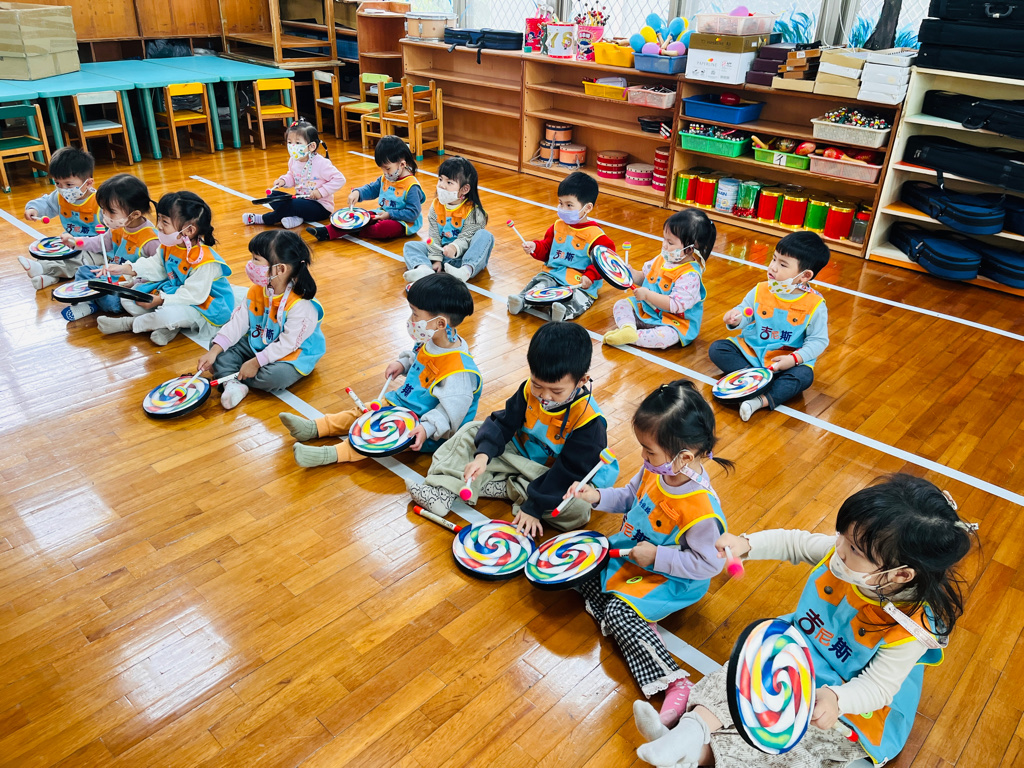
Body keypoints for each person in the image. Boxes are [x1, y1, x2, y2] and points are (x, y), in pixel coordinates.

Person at [634, 473, 976, 768]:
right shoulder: (846, 557)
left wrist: (838, 700)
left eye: (854, 549)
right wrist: (746, 544)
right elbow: (793, 542)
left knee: (791, 745)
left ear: (901, 574)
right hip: (797, 654)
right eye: (842, 536)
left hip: (843, 698)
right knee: (735, 675)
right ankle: (687, 733)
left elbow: (878, 687)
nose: (839, 548)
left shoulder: (910, 628)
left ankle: (696, 755)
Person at [568, 380, 731, 727]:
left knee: (619, 613)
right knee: (584, 558)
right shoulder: (658, 469)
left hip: (671, 578)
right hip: (635, 555)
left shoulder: (702, 510)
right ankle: (634, 616)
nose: (643, 457)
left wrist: (657, 557)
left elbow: (709, 565)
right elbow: (629, 497)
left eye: (649, 451)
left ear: (684, 457)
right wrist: (595, 496)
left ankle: (674, 682)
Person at [408, 321, 619, 536]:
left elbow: (568, 472)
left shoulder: (589, 422)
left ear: (582, 381)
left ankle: (505, 487)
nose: (545, 396)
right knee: (472, 432)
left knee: (577, 508)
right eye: (537, 385)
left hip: (553, 475)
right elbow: (504, 423)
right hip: (520, 457)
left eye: (556, 391)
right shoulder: (529, 390)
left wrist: (534, 508)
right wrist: (483, 456)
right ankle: (443, 490)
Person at [281, 272, 480, 465]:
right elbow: (420, 357)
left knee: (372, 438)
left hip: (423, 425)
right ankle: (313, 428)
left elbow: (450, 412)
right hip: (404, 405)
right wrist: (403, 363)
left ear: (440, 323)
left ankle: (328, 454)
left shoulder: (459, 372)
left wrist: (426, 428)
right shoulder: (431, 337)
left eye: (415, 314)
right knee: (362, 412)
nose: (411, 319)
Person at [708, 231, 831, 421]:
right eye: (774, 259)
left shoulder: (815, 305)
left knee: (804, 376)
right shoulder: (761, 289)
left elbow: (818, 341)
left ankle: (759, 400)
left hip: (784, 363)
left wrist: (793, 359)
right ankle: (759, 382)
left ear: (805, 275)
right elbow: (746, 311)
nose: (773, 267)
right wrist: (736, 318)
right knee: (718, 349)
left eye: (783, 264)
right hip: (752, 353)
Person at [196, 230, 325, 409]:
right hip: (260, 342)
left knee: (275, 377)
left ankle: (228, 375)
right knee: (216, 344)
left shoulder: (301, 305)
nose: (250, 264)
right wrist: (214, 351)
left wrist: (256, 362)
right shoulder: (256, 290)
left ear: (280, 269)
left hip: (292, 353)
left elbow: (287, 344)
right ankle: (233, 384)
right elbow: (237, 323)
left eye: (256, 259)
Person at [95, 191, 233, 346]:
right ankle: (168, 327)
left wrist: (160, 300)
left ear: (189, 230)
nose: (159, 225)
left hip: (203, 303)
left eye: (165, 221)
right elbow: (156, 266)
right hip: (174, 292)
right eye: (159, 218)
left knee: (168, 315)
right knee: (128, 299)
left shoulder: (206, 261)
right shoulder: (170, 245)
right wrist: (124, 268)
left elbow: (194, 295)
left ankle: (128, 323)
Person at [506, 171, 616, 322]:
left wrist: (590, 276)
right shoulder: (557, 226)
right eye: (560, 203)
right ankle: (521, 301)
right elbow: (547, 248)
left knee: (578, 297)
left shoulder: (598, 237)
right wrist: (535, 247)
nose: (563, 208)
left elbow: (604, 263)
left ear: (587, 208)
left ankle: (561, 312)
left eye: (569, 205)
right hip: (553, 273)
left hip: (579, 281)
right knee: (540, 285)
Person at [604, 210, 716, 350]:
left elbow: (674, 305)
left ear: (689, 249)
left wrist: (647, 295)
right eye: (664, 239)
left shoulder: (690, 275)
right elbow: (645, 278)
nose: (664, 245)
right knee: (621, 304)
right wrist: (631, 274)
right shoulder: (662, 258)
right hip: (647, 310)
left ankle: (634, 337)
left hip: (673, 322)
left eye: (670, 242)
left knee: (666, 337)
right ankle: (628, 328)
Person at [61, 174, 159, 322]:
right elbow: (100, 243)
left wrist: (134, 284)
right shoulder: (119, 226)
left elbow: (157, 272)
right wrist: (76, 241)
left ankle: (90, 301)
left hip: (128, 285)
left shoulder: (151, 240)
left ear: (135, 214)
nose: (105, 215)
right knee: (83, 271)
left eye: (111, 211)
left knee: (111, 302)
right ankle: (89, 302)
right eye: (103, 209)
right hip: (111, 276)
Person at [306, 135, 423, 242]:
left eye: (387, 168)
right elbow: (372, 189)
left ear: (402, 164)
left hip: (404, 222)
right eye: (382, 169)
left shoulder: (411, 186)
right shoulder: (386, 178)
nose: (385, 172)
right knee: (360, 216)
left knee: (382, 228)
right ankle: (327, 231)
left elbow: (413, 213)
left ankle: (352, 229)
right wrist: (358, 193)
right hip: (383, 214)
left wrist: (389, 214)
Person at [19, 146, 103, 289]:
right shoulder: (60, 196)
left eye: (69, 184)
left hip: (97, 249)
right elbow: (46, 202)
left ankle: (43, 268)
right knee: (55, 253)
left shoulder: (100, 203)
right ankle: (49, 278)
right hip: (71, 244)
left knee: (82, 260)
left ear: (88, 183)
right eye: (58, 183)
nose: (63, 189)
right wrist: (34, 209)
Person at [402, 156, 493, 283]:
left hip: (463, 257)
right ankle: (424, 269)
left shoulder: (474, 211)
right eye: (440, 179)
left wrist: (454, 248)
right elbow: (434, 234)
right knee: (410, 246)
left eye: (449, 182)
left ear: (465, 189)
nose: (442, 186)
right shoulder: (436, 205)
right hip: (442, 253)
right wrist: (436, 259)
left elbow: (467, 237)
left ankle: (465, 271)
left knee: (485, 236)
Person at [242, 119, 345, 230]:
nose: (292, 146)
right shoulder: (293, 160)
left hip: (320, 207)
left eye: (298, 143)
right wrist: (283, 181)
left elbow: (340, 179)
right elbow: (292, 176)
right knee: (272, 196)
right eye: (289, 142)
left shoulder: (321, 163)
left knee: (293, 205)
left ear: (311, 146)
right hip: (299, 200)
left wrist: (321, 192)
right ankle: (296, 218)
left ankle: (264, 219)